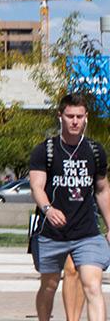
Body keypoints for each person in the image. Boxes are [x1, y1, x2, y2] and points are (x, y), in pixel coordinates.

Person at [30, 93, 110, 321]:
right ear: (60, 117)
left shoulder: (95, 152)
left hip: (87, 232)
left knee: (93, 285)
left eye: (80, 116)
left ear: (86, 118)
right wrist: (48, 209)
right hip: (52, 233)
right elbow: (37, 187)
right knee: (49, 285)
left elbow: (102, 189)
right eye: (70, 116)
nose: (75, 121)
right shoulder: (45, 150)